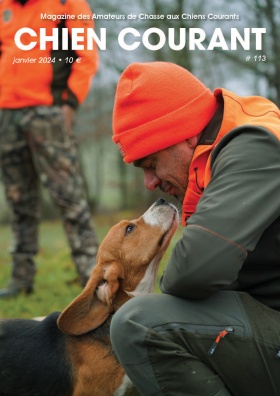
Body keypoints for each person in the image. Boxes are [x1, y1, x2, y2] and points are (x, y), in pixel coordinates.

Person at [110, 61, 280, 395]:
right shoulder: (218, 158)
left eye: (152, 163)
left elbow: (194, 272)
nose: (149, 183)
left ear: (185, 134)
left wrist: (169, 280)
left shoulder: (253, 146)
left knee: (139, 324)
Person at [0, 0, 99, 297]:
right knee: (18, 201)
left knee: (69, 198)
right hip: (6, 113)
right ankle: (20, 280)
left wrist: (69, 103)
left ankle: (91, 277)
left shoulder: (67, 3)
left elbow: (86, 56)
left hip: (48, 111)